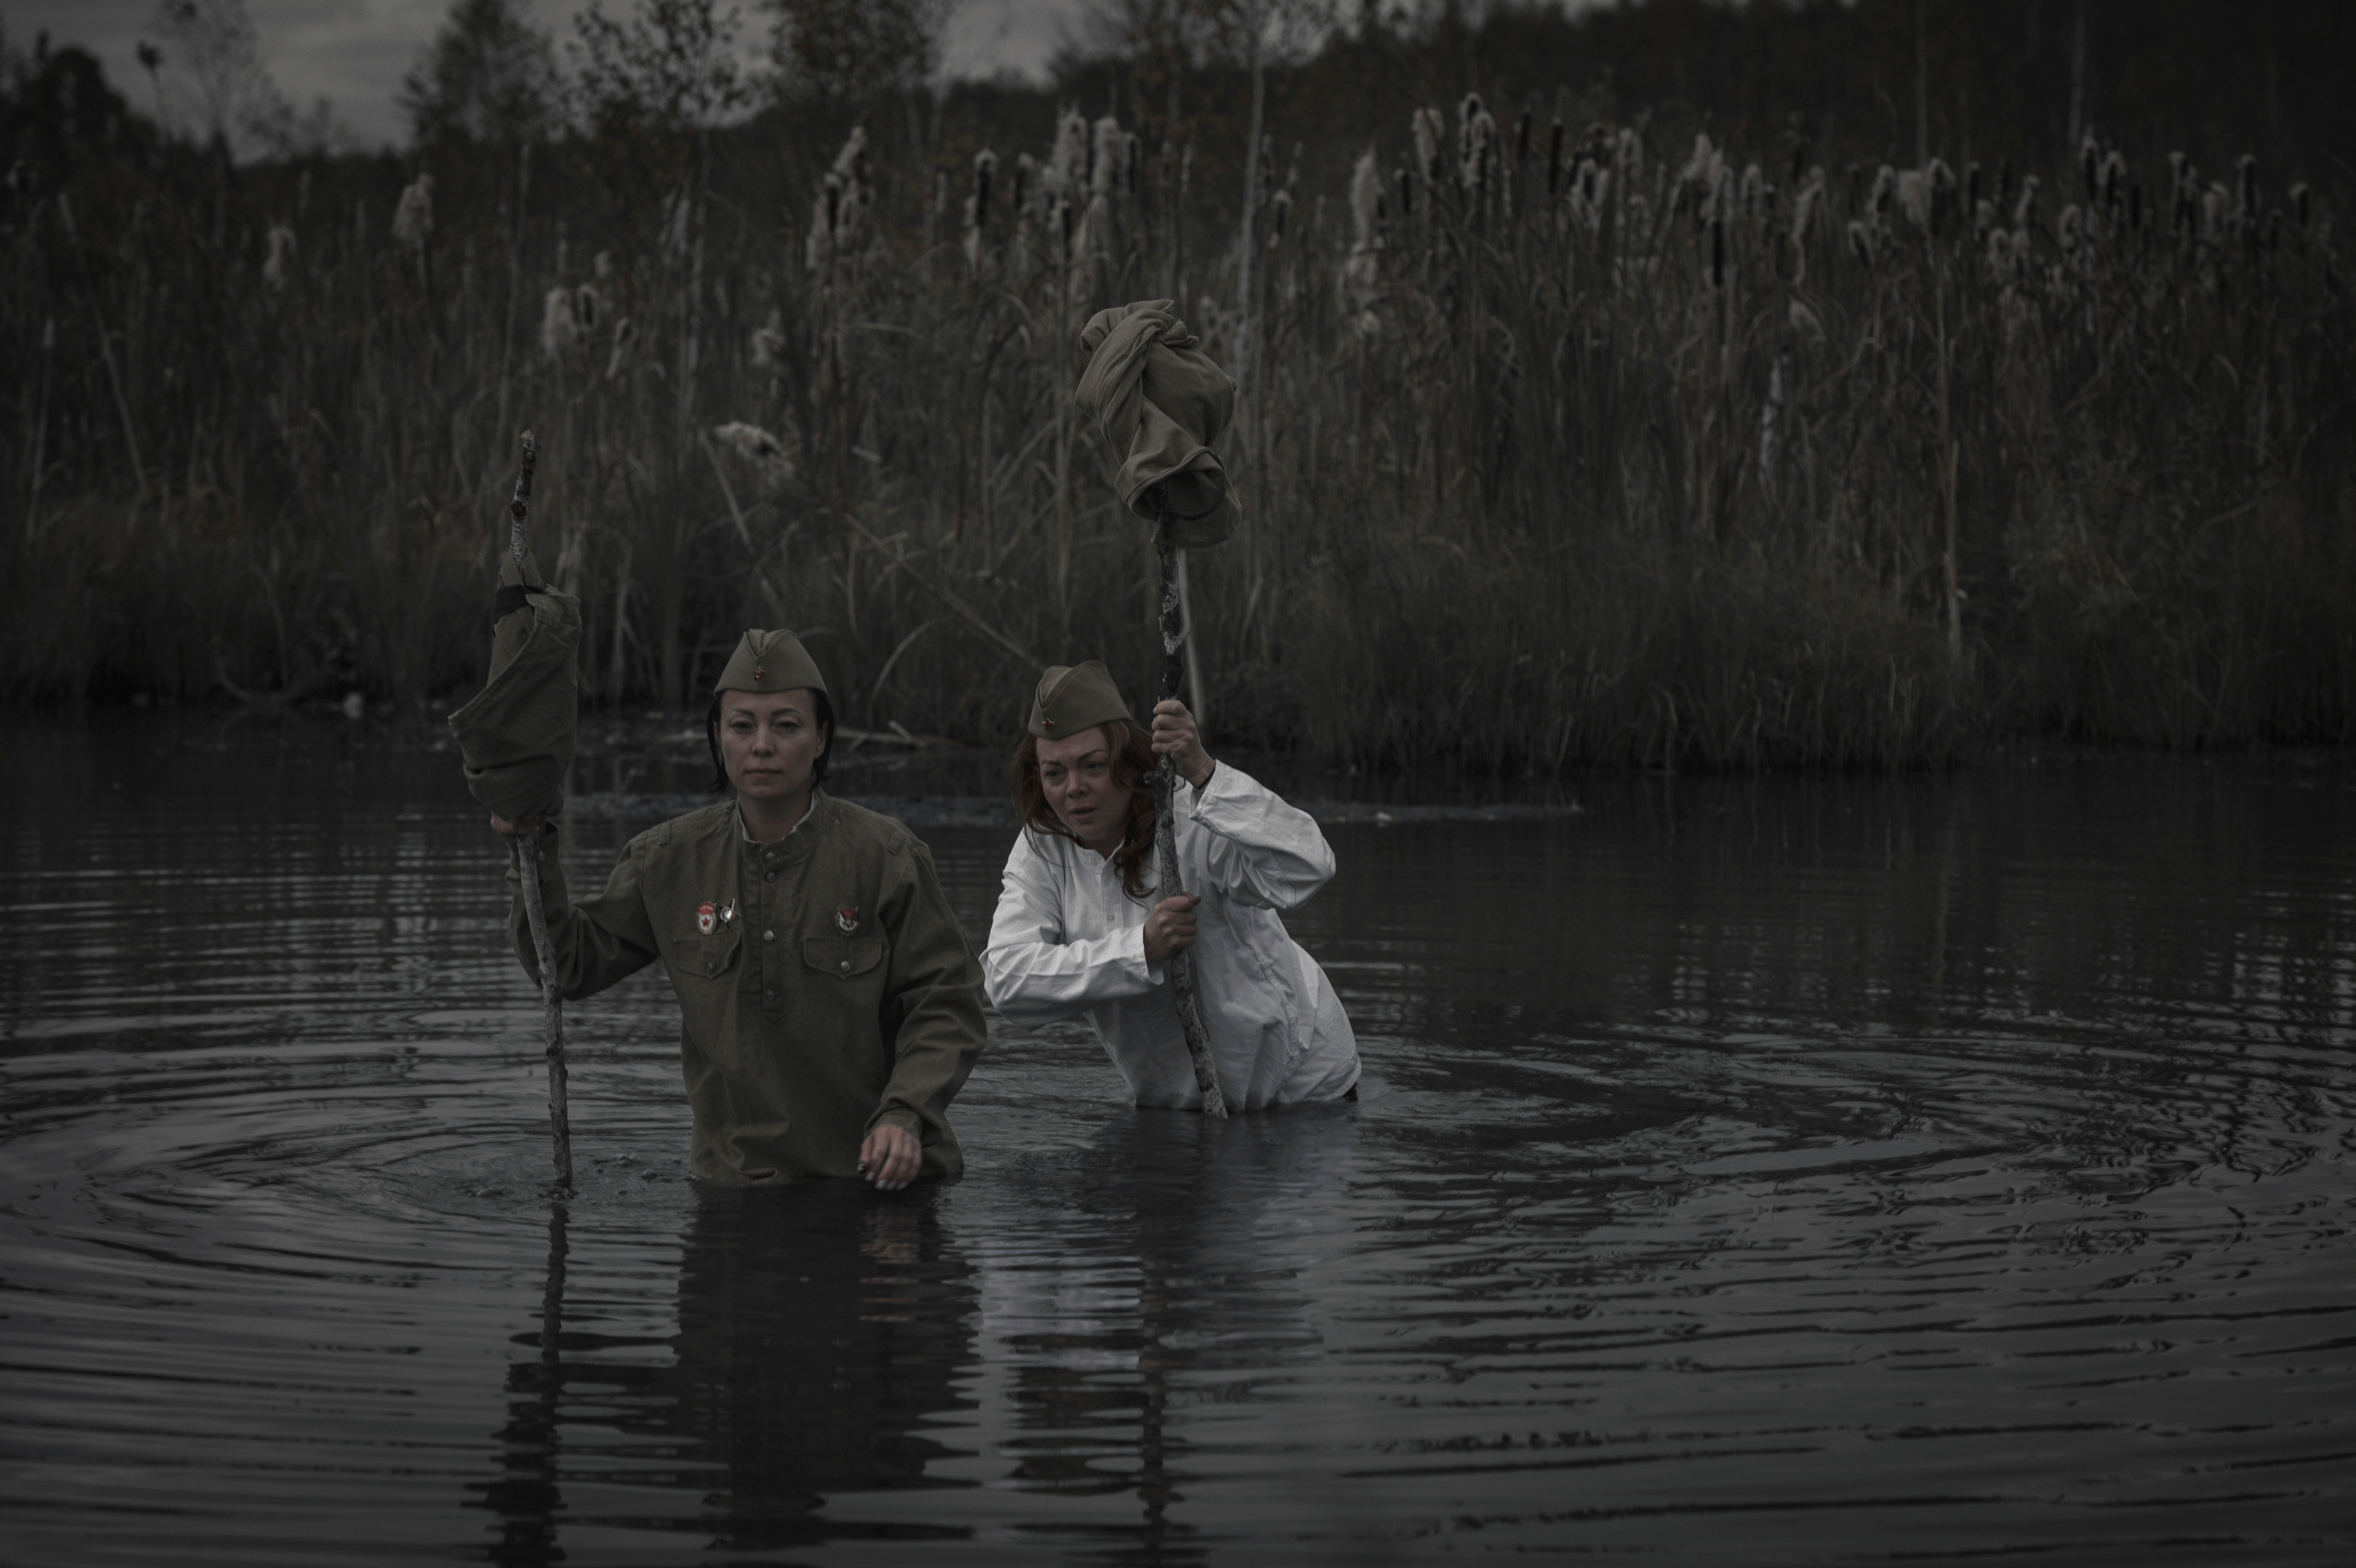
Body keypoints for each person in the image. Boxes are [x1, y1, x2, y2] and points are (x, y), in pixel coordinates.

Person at [489, 629, 986, 1189]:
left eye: (787, 725)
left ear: (822, 738)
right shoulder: (666, 860)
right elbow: (569, 963)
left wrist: (905, 1112)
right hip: (735, 1192)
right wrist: (530, 846)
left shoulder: (886, 857)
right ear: (717, 737)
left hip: (884, 1186)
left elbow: (948, 1003)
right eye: (742, 725)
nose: (762, 745)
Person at [981, 660, 1359, 1110]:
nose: (1074, 788)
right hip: (1180, 1101)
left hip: (1303, 1088)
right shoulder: (1042, 848)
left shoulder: (1189, 818)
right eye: (1055, 773)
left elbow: (1309, 866)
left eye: (1092, 765)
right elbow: (1006, 981)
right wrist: (1140, 949)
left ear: (1125, 761)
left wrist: (1203, 771)